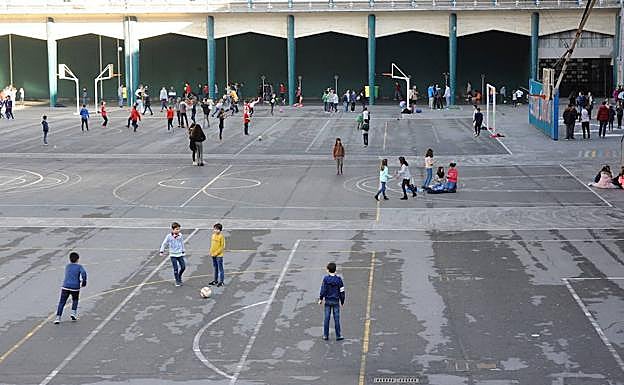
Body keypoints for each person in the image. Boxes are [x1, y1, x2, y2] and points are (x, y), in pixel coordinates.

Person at [54, 252, 87, 324]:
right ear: (78, 259)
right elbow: (83, 273)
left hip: (65, 286)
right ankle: (73, 313)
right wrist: (84, 281)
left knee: (62, 302)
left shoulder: (67, 266)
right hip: (75, 287)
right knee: (75, 299)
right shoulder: (79, 267)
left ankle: (58, 317)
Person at [318, 262, 345, 341]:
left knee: (327, 318)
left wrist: (320, 298)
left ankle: (325, 335)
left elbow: (323, 290)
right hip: (336, 301)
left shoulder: (326, 279)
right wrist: (342, 300)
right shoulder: (339, 280)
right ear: (335, 270)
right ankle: (338, 335)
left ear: (328, 270)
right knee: (336, 318)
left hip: (328, 301)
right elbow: (342, 291)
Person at [159, 222, 187, 286]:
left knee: (183, 267)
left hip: (179, 254)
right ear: (173, 229)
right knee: (176, 268)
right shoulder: (169, 236)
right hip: (173, 255)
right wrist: (161, 251)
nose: (178, 230)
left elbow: (182, 243)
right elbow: (164, 243)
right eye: (177, 229)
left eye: (179, 229)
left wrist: (183, 250)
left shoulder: (180, 235)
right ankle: (177, 281)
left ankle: (179, 276)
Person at [208, 223, 226, 287]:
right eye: (215, 229)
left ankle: (221, 281)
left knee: (220, 269)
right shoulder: (213, 235)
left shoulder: (221, 237)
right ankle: (215, 280)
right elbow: (212, 245)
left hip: (219, 256)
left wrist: (216, 253)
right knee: (215, 268)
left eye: (217, 229)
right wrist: (211, 251)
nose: (215, 230)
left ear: (220, 230)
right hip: (213, 255)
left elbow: (222, 247)